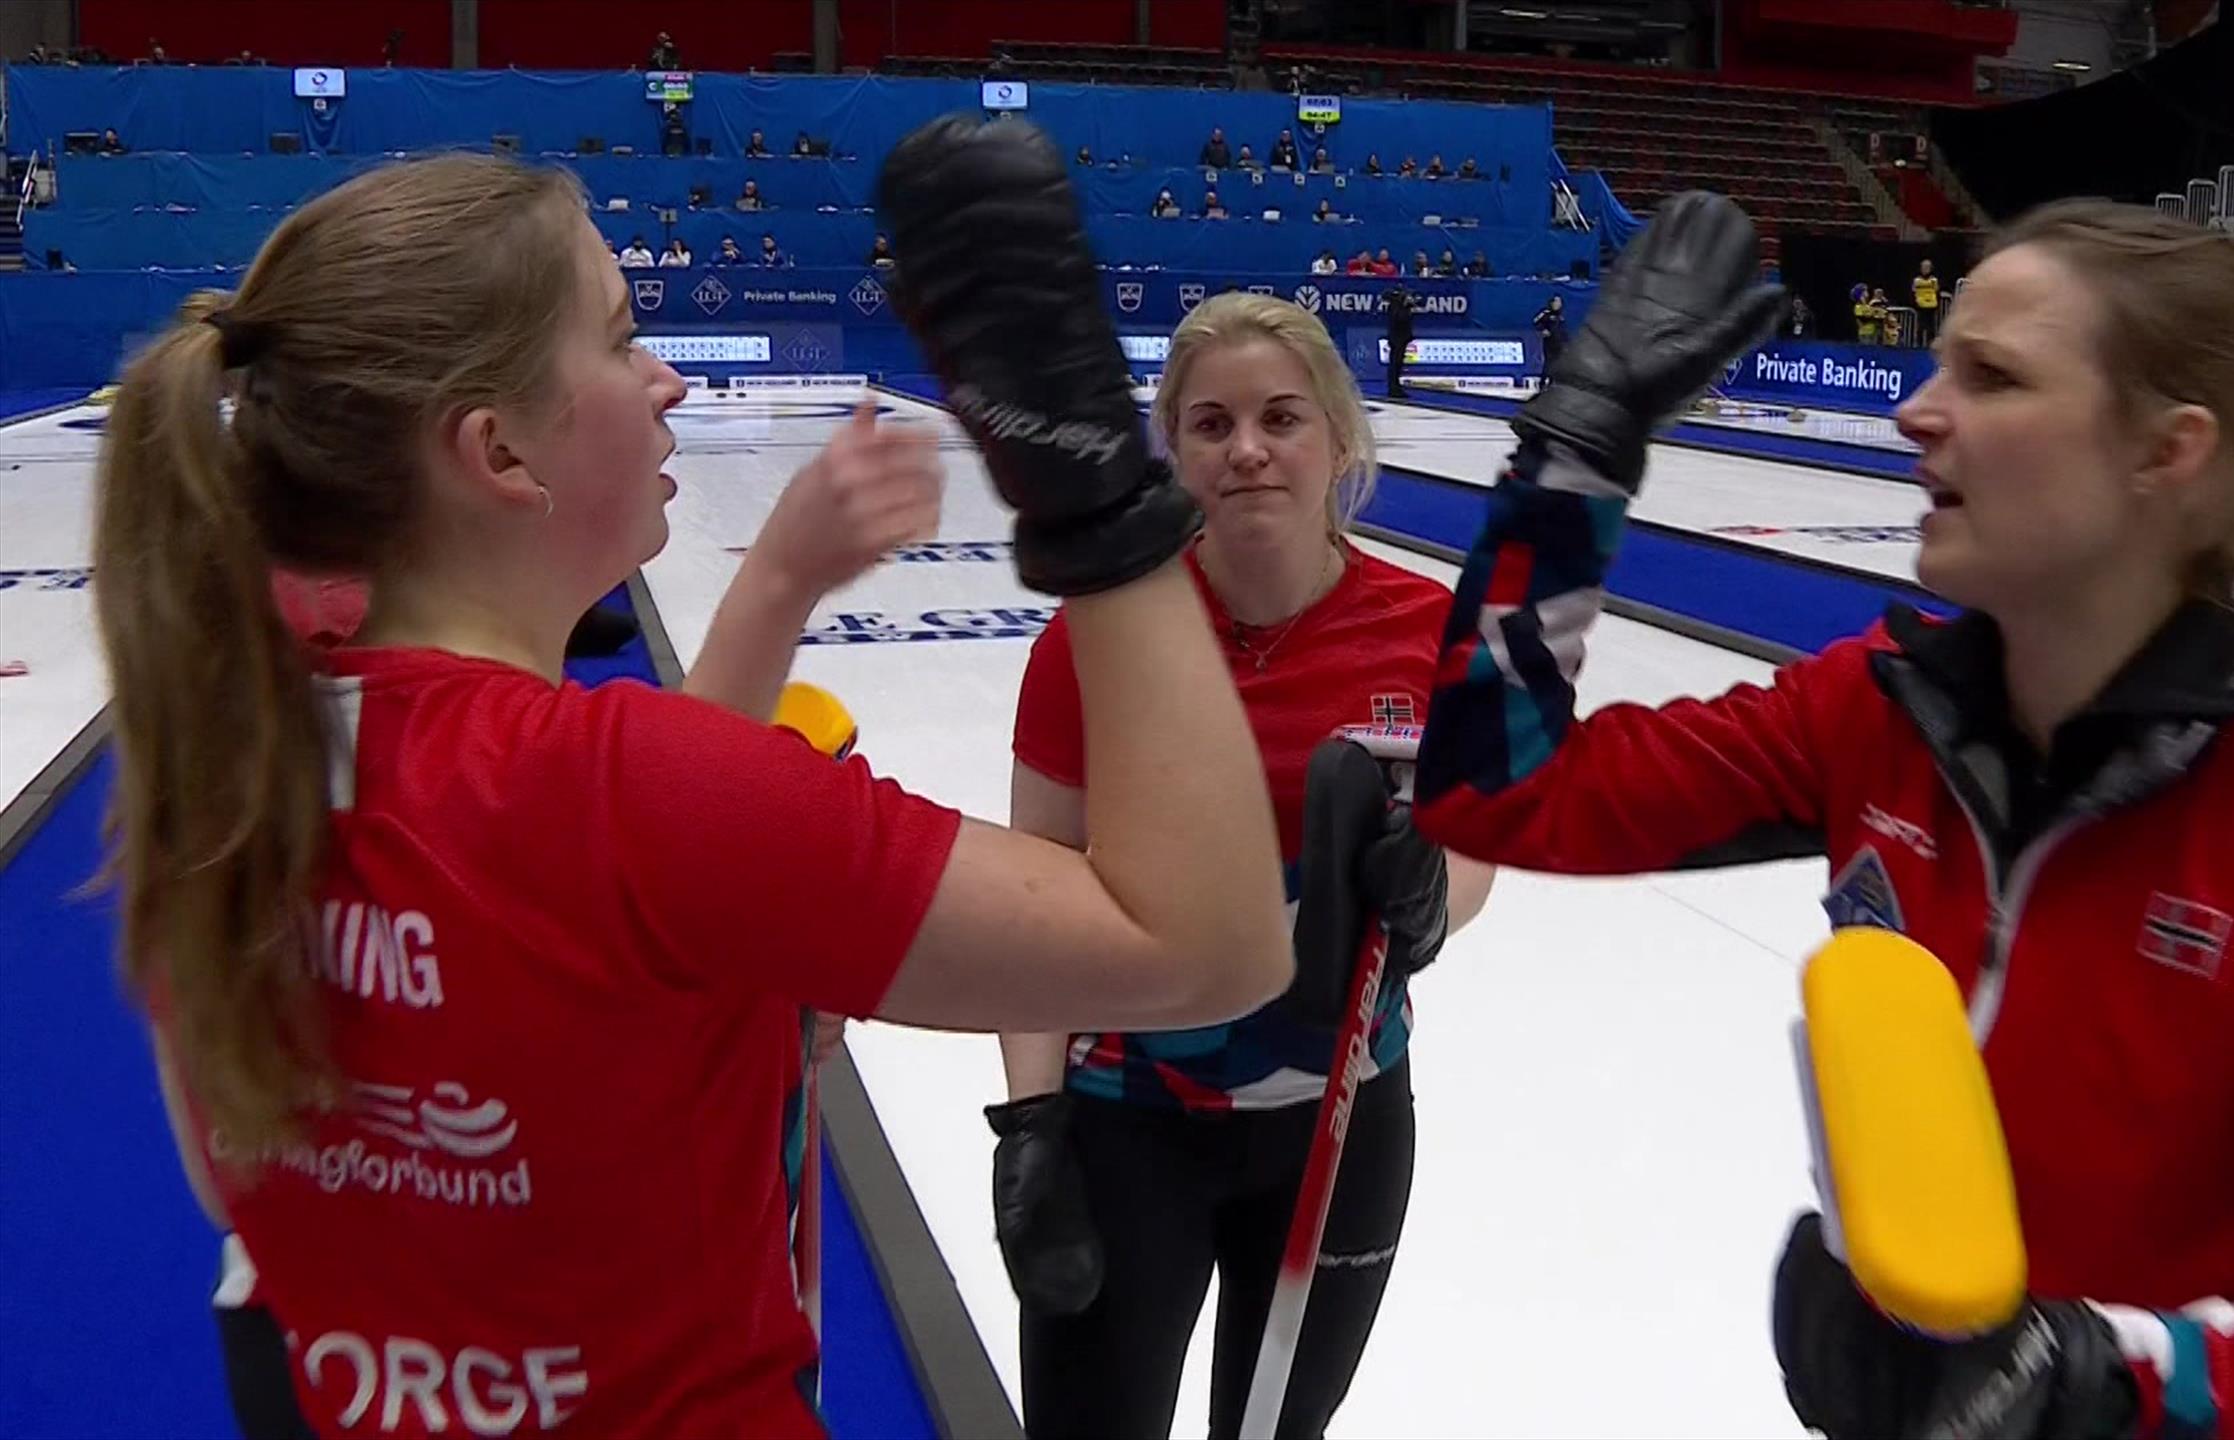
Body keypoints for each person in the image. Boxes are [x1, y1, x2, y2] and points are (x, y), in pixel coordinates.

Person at [96, 132, 1293, 1437]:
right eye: (617, 338)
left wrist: (776, 582)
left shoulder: (216, 777)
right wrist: (1094, 490)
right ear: (498, 453)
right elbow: (1209, 947)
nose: (665, 379)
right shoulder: (638, 794)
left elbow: (240, 1183)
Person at [1411, 195, 2234, 1440]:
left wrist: (2084, 1381)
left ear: (2170, 450)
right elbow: (1493, 793)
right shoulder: (1875, 710)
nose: (1915, 409)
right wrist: (1582, 445)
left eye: (1989, 378)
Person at [994, 291, 1494, 1440]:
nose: (1248, 449)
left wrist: (1430, 907)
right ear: (1174, 448)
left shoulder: (1430, 630)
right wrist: (1033, 1126)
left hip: (1343, 1117)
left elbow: (1467, 855)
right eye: (1211, 425)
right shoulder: (1100, 635)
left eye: (1281, 417)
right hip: (1127, 1126)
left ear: (1338, 437)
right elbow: (1036, 893)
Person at [1383, 282, 1416, 397]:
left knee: (1398, 364)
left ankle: (1396, 386)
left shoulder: (1397, 305)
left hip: (1401, 338)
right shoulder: (1395, 306)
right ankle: (1393, 388)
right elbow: (1400, 319)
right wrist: (1406, 307)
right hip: (1397, 338)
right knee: (1395, 364)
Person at [1533, 294, 1565, 379]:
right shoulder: (1545, 313)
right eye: (1556, 302)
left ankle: (1552, 379)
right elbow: (1536, 322)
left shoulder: (1561, 316)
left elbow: (1562, 329)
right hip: (1548, 342)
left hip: (1558, 342)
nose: (1557, 304)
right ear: (1551, 303)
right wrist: (1543, 329)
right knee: (1547, 361)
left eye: (1559, 302)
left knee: (1557, 361)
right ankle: (1542, 380)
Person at [1911, 258, 1941, 346]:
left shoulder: (1934, 280)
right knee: (1920, 327)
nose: (1925, 269)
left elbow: (1937, 292)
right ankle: (1918, 345)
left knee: (1931, 327)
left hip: (1931, 306)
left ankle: (1930, 345)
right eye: (1924, 267)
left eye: (1927, 267)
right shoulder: (1916, 280)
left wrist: (1936, 304)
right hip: (1920, 306)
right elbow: (1913, 292)